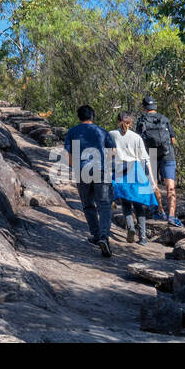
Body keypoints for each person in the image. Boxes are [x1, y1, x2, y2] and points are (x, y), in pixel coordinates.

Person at [64, 104, 117, 257]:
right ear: (93, 116)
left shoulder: (72, 131)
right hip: (101, 170)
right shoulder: (101, 131)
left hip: (82, 171)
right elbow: (112, 151)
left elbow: (68, 153)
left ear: (79, 117)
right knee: (105, 205)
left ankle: (95, 235)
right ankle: (104, 237)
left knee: (88, 205)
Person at [110, 111, 162, 244]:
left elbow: (108, 155)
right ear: (131, 123)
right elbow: (145, 159)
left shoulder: (112, 134)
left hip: (121, 170)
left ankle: (131, 228)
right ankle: (143, 238)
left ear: (118, 121)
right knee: (139, 206)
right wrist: (152, 179)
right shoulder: (136, 137)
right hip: (136, 170)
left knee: (126, 204)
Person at [136, 96, 182, 227]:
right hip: (168, 154)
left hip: (151, 154)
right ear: (155, 106)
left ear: (144, 108)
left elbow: (138, 140)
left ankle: (160, 211)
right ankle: (172, 216)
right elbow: (173, 139)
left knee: (153, 184)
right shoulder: (164, 119)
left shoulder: (141, 120)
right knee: (170, 186)